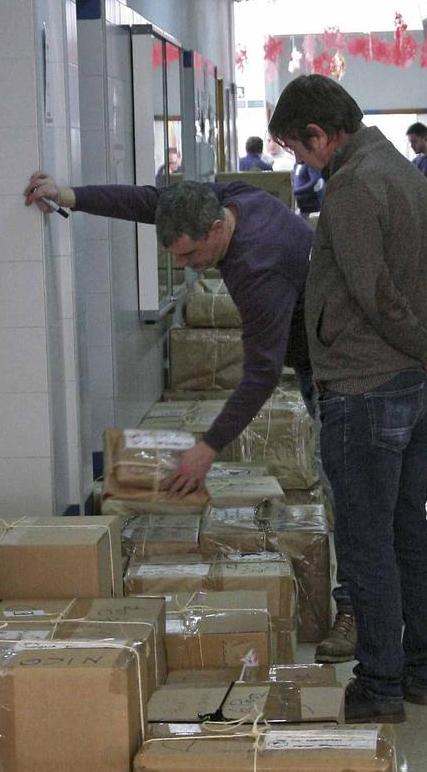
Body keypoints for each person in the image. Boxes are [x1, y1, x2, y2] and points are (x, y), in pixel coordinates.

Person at [23, 165, 354, 648]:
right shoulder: (230, 198)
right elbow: (143, 200)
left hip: (333, 364)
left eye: (192, 253)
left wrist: (207, 449)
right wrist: (68, 195)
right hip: (318, 345)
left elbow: (261, 375)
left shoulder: (255, 267)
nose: (188, 266)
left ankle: (358, 610)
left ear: (218, 229)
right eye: (176, 256)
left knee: (343, 487)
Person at [268, 73, 427, 722]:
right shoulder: (407, 174)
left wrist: (420, 344)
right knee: (408, 529)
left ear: (320, 135)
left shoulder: (353, 185)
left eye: (299, 151)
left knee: (366, 543)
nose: (300, 164)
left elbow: (373, 289)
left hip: (364, 390)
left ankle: (379, 685)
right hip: (410, 394)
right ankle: (419, 671)